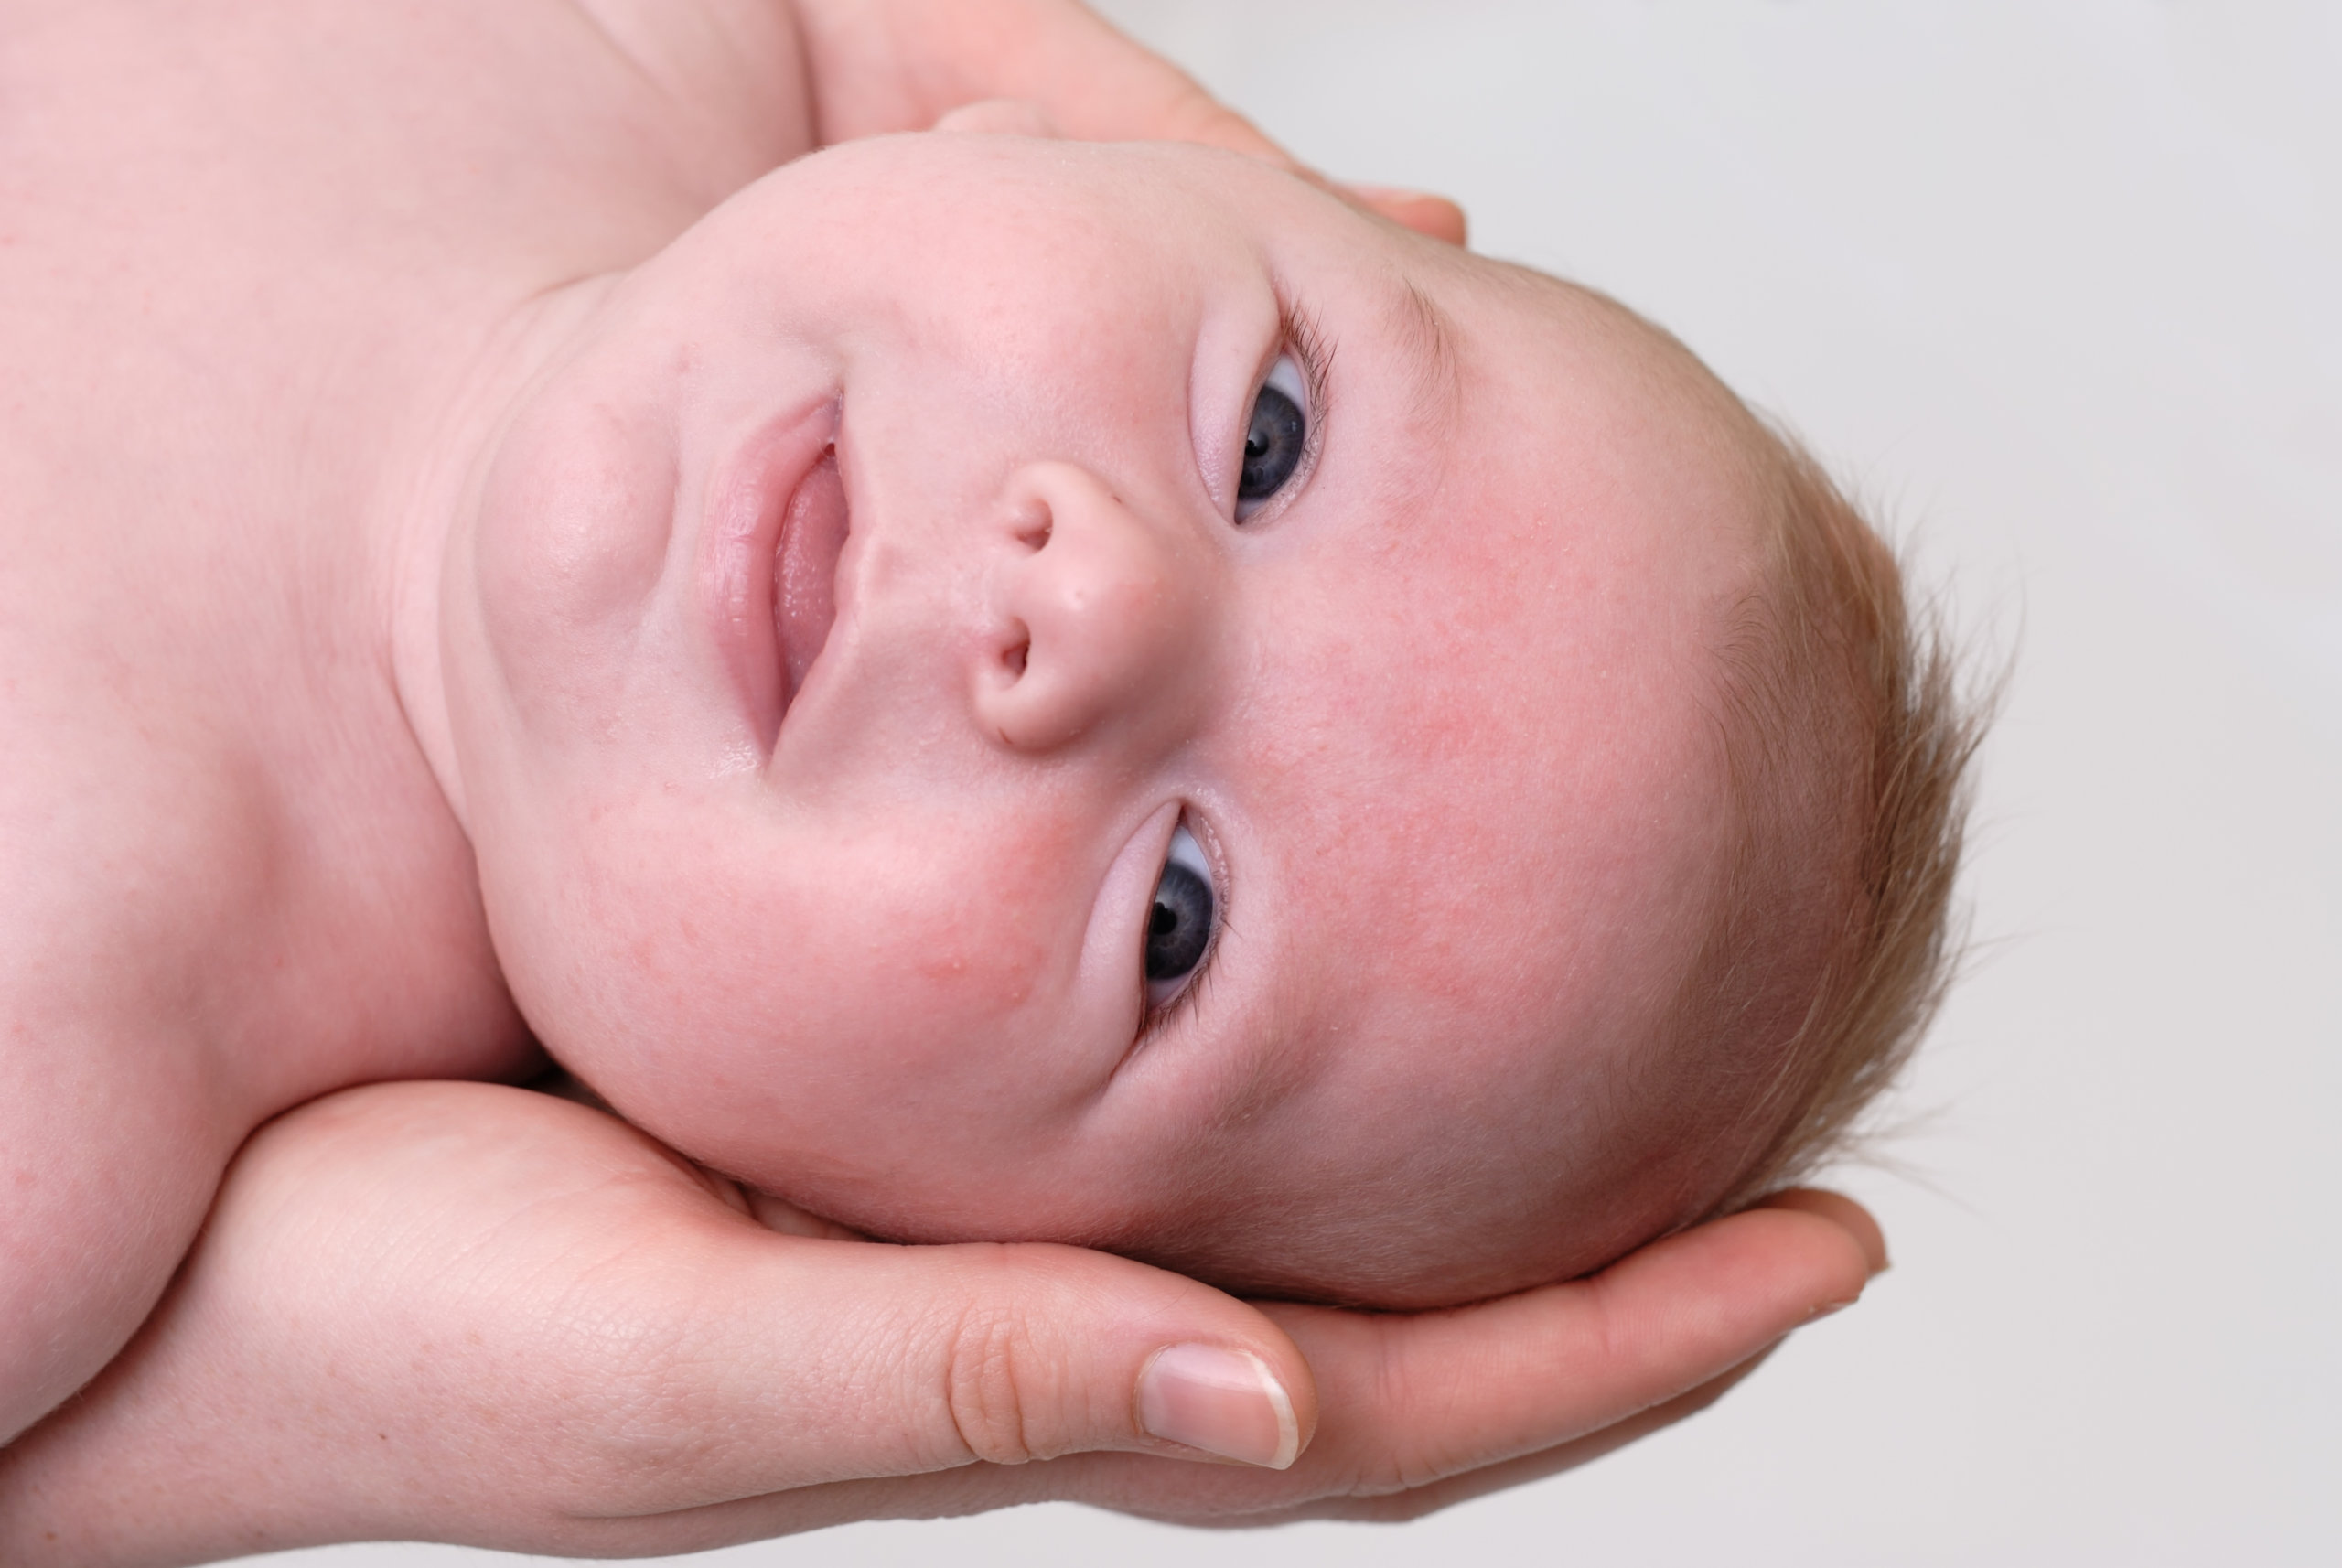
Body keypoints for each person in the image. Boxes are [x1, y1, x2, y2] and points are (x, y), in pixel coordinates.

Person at [0, 1, 1915, 1559]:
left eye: (1174, 918)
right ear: (1062, 141)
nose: (1087, 596)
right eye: (1267, 434)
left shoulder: (61, 1117)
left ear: (853, 1229)